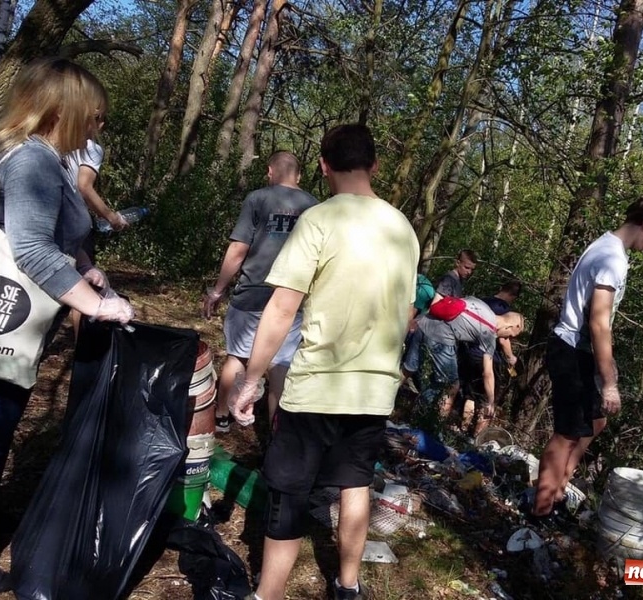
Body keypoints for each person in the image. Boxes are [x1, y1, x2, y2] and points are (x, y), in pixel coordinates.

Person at [228, 124, 419, 600]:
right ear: (375, 166)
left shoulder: (318, 219)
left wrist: (251, 379)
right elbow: (407, 312)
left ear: (323, 166)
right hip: (374, 388)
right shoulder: (404, 229)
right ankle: (348, 586)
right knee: (354, 484)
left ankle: (267, 594)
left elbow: (282, 307)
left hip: (317, 383)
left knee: (290, 491)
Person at [0, 57, 134, 593]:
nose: (99, 129)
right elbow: (27, 248)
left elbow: (52, 238)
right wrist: (98, 307)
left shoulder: (38, 159)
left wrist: (86, 268)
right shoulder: (32, 161)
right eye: (94, 117)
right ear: (64, 112)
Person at [527, 195, 643, 524]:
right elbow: (598, 321)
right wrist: (608, 383)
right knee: (566, 433)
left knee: (596, 422)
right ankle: (539, 514)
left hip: (581, 351)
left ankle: (557, 490)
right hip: (571, 349)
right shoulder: (611, 258)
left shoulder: (609, 248)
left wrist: (605, 364)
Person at [202, 151, 317, 432]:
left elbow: (238, 249)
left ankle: (221, 417)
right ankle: (276, 434)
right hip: (292, 301)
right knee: (280, 365)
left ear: (269, 171)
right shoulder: (314, 207)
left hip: (252, 293)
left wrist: (217, 290)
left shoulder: (257, 199)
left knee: (237, 356)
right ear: (299, 175)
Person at [402, 297, 524, 423]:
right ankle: (430, 424)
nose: (508, 338)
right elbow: (487, 373)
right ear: (512, 326)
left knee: (408, 368)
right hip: (440, 337)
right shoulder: (489, 334)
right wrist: (491, 402)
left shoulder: (482, 306)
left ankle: (385, 406)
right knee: (452, 385)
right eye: (511, 336)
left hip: (425, 322)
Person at [66, 119, 128, 339]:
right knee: (84, 282)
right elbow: (84, 187)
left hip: (47, 219)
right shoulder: (92, 149)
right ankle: (81, 346)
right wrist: (112, 217)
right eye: (97, 118)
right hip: (75, 224)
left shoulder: (51, 139)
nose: (100, 124)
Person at [458, 280, 522, 432]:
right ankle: (476, 437)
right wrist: (510, 357)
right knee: (488, 399)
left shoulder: (484, 302)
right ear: (513, 296)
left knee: (471, 395)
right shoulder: (504, 309)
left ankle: (463, 429)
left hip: (470, 352)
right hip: (490, 357)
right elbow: (502, 337)